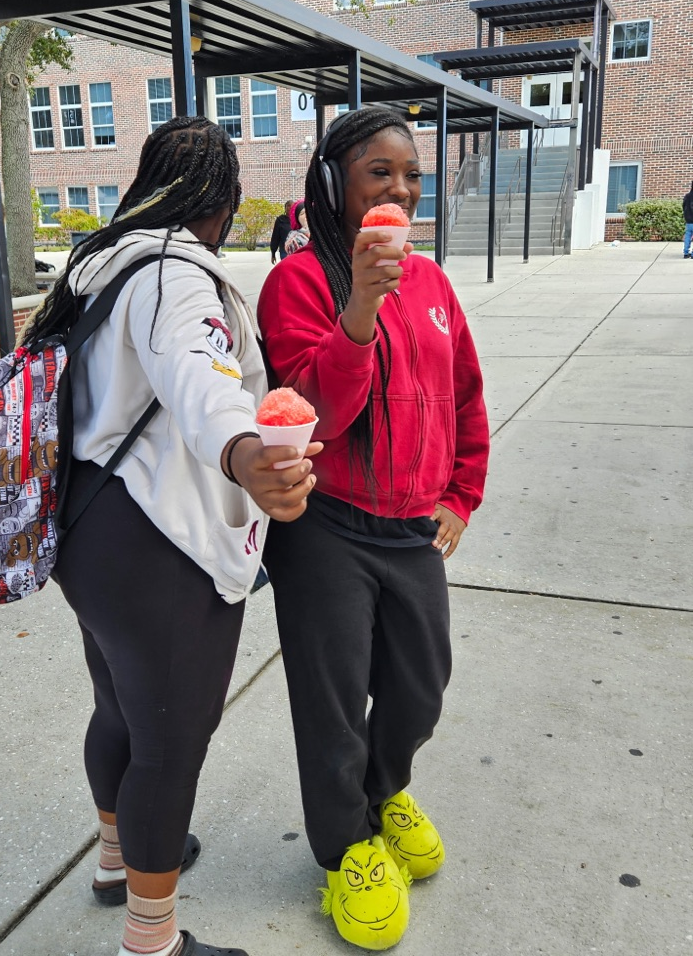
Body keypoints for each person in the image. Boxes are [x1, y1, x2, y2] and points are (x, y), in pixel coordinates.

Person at [21, 116, 321, 956]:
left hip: (89, 529)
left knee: (119, 708)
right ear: (220, 204)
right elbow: (202, 375)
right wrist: (247, 452)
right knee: (171, 744)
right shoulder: (176, 275)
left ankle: (118, 862)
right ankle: (152, 942)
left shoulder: (99, 263)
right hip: (159, 540)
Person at [257, 106, 489, 951]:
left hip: (411, 527)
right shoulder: (298, 284)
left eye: (411, 174)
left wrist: (461, 494)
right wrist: (359, 304)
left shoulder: (431, 285)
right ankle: (346, 847)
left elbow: (465, 395)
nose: (400, 189)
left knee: (421, 683)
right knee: (331, 702)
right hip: (326, 527)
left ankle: (385, 790)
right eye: (377, 173)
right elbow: (309, 413)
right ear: (332, 185)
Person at [269, 199, 293, 263]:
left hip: (296, 250)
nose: (290, 208)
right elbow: (275, 237)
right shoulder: (280, 220)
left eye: (292, 206)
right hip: (284, 251)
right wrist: (273, 254)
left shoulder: (297, 219)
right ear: (285, 208)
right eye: (288, 206)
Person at [683, 181, 693, 258]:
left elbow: (683, 207)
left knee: (687, 236)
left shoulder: (687, 196)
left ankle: (686, 253)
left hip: (688, 220)